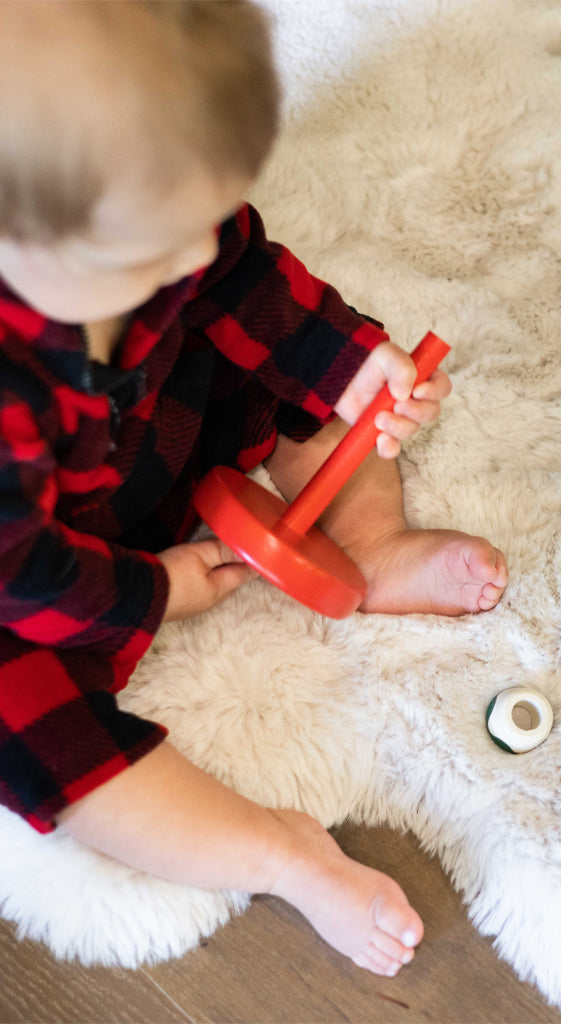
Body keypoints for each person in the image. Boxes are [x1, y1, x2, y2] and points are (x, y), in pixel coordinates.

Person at [0, 1, 508, 979]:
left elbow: (242, 280)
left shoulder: (150, 222)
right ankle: (279, 850)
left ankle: (368, 536)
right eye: (157, 247)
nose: (193, 257)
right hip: (35, 570)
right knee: (35, 736)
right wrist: (160, 590)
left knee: (282, 362)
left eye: (204, 216)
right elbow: (22, 571)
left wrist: (353, 369)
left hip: (147, 424)